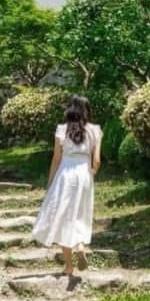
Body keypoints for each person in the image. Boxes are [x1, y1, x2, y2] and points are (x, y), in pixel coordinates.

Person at [31, 95, 102, 276]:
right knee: (80, 214)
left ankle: (69, 266)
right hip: (84, 174)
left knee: (62, 217)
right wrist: (91, 174)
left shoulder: (62, 130)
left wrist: (50, 182)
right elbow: (97, 160)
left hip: (65, 174)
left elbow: (56, 158)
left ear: (69, 110)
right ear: (87, 110)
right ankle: (80, 245)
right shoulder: (95, 130)